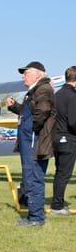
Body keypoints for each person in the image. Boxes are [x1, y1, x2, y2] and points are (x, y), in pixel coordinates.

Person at [6, 61, 57, 227]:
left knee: (34, 178)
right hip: (29, 141)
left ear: (38, 74)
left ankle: (36, 218)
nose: (23, 76)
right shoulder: (35, 90)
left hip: (35, 141)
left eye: (26, 73)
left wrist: (32, 129)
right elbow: (29, 112)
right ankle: (33, 215)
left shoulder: (43, 89)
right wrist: (14, 107)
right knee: (30, 177)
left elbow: (42, 111)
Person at [50, 66, 76, 215]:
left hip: (57, 137)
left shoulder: (57, 94)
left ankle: (57, 203)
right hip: (69, 138)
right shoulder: (72, 96)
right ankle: (57, 206)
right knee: (64, 174)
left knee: (59, 172)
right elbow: (73, 122)